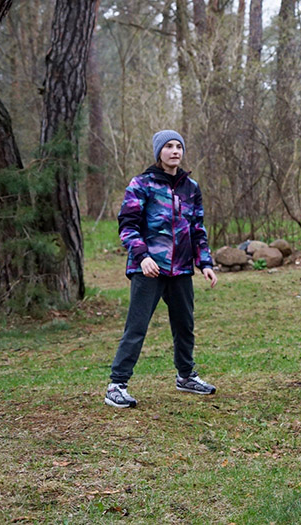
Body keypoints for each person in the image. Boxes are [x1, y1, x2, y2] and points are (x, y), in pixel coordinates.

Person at [105, 130, 218, 409]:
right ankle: (116, 385)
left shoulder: (191, 187)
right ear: (159, 152)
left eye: (179, 146)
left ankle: (186, 376)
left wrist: (204, 262)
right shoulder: (141, 184)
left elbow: (197, 229)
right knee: (137, 327)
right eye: (168, 146)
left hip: (180, 270)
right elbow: (127, 226)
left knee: (185, 325)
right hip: (149, 269)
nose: (175, 151)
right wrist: (142, 256)